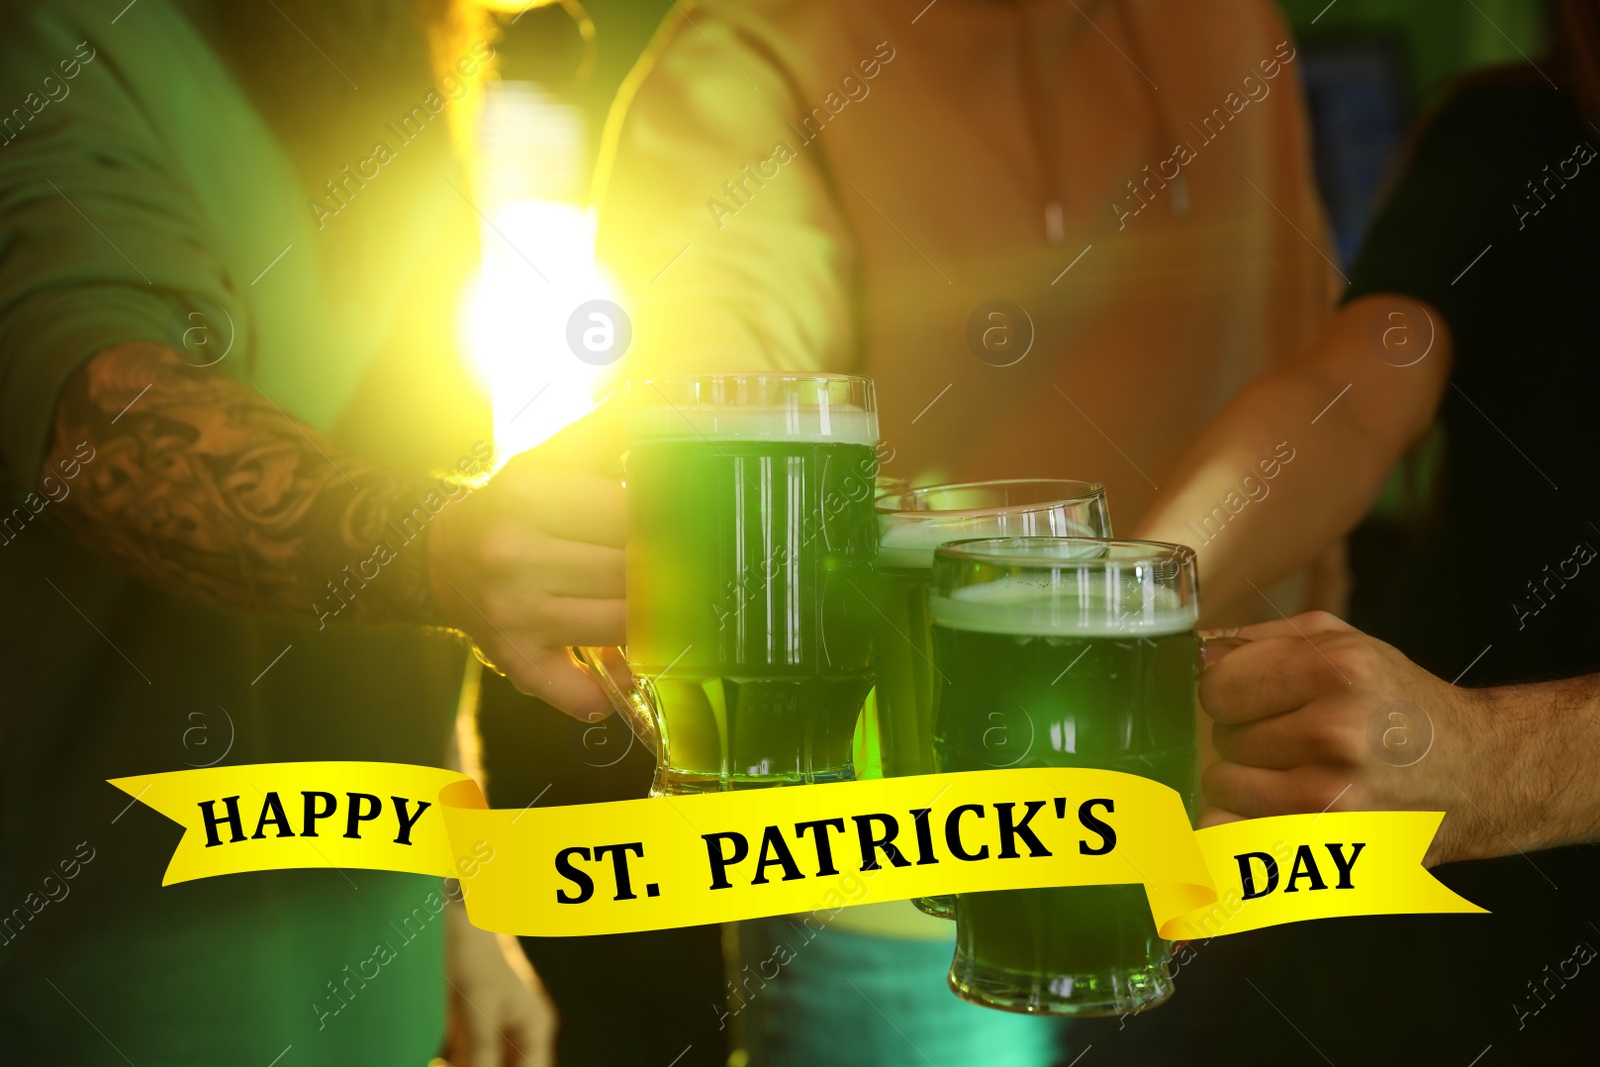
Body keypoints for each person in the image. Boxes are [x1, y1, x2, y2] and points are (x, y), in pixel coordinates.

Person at [592, 0, 1339, 1061]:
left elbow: (1308, 349)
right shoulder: (752, 48)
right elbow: (728, 374)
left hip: (1228, 825)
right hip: (898, 867)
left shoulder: (1224, 18)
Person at [0, 1, 622, 1062]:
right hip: (115, 985)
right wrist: (437, 552)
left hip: (383, 964)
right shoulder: (53, 36)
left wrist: (461, 890)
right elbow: (101, 423)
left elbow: (419, 478)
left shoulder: (403, 70)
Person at [1115, 1, 1600, 1060]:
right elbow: (1352, 393)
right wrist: (1133, 587)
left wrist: (1493, 761)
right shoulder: (1514, 142)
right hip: (1416, 938)